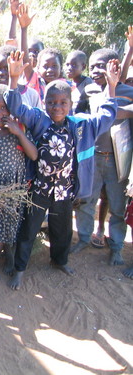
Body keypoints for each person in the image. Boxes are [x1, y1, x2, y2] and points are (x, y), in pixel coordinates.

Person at [5, 51, 119, 290]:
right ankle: (20, 269)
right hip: (39, 188)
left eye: (62, 103)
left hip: (65, 191)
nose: (57, 107)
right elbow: (16, 106)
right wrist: (13, 80)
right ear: (44, 103)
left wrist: (112, 86)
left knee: (62, 230)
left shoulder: (80, 126)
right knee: (29, 230)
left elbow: (107, 117)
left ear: (71, 104)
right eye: (51, 102)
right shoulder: (38, 120)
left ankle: (60, 260)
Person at [72, 48, 133, 265]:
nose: (96, 70)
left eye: (101, 65)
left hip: (118, 160)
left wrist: (120, 110)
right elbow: (77, 116)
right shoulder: (89, 91)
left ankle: (116, 246)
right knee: (87, 201)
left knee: (117, 205)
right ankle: (84, 238)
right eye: (93, 65)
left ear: (113, 66)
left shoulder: (127, 91)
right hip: (92, 157)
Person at [0, 84, 37, 283]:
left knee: (12, 223)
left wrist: (18, 133)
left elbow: (33, 154)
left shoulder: (20, 128)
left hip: (15, 186)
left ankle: (9, 254)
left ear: (10, 108)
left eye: (2, 107)